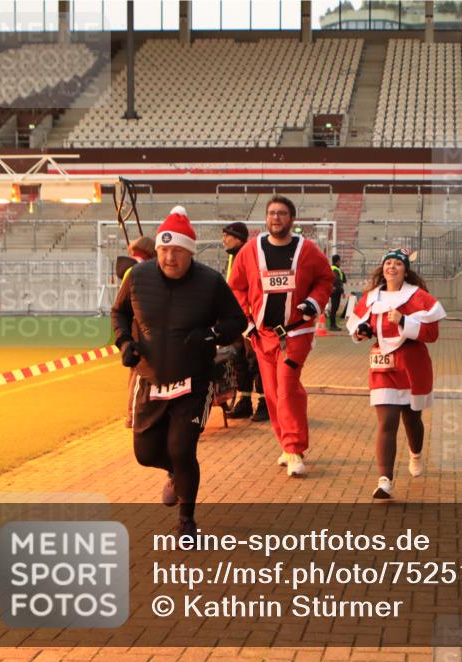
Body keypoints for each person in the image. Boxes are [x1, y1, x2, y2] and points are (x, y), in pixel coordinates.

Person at [112, 207, 245, 537]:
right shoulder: (137, 278)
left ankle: (187, 521)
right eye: (164, 249)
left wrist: (212, 335)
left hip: (193, 381)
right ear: (157, 250)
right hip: (150, 380)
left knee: (182, 449)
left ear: (190, 253)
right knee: (145, 454)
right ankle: (176, 472)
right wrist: (125, 342)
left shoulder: (210, 282)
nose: (170, 257)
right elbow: (118, 312)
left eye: (178, 251)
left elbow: (236, 321)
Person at [228, 195, 334, 477]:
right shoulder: (250, 251)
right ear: (266, 218)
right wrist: (246, 322)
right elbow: (235, 288)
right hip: (262, 336)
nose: (276, 218)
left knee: (286, 387)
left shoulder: (307, 250)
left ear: (292, 219)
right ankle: (286, 444)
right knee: (273, 392)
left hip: (296, 332)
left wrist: (314, 302)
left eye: (282, 213)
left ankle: (295, 449)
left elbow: (326, 279)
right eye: (272, 213)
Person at [347, 249, 446, 500]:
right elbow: (360, 326)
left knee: (412, 419)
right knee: (387, 421)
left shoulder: (418, 297)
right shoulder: (371, 298)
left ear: (405, 270)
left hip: (412, 365)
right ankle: (385, 481)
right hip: (383, 366)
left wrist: (404, 321)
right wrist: (361, 331)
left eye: (397, 264)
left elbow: (432, 335)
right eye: (388, 263)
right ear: (382, 269)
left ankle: (415, 454)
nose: (392, 267)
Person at [221, 222, 267, 421]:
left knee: (255, 362)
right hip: (235, 320)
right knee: (239, 361)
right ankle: (245, 402)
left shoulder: (248, 256)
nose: (224, 239)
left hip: (249, 320)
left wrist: (250, 320)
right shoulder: (232, 257)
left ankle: (265, 404)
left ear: (238, 237)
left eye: (227, 235)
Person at [117, 235, 156, 430]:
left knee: (135, 371)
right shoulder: (139, 269)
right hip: (138, 327)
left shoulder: (131, 267)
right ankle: (132, 416)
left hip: (134, 326)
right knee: (138, 372)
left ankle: (132, 415)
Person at [329, 254, 346, 331]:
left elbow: (343, 279)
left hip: (334, 290)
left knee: (334, 308)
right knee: (334, 308)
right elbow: (337, 281)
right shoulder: (335, 269)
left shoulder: (335, 269)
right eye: (340, 261)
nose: (340, 262)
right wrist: (342, 291)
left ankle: (333, 325)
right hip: (335, 291)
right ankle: (332, 325)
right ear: (337, 261)